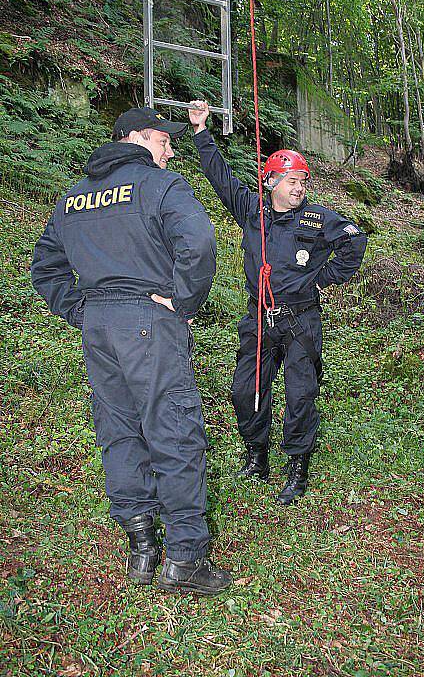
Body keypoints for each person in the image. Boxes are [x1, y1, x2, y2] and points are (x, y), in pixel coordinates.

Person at [31, 107, 232, 595]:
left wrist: (83, 312)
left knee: (118, 431)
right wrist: (184, 298)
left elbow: (45, 267)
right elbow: (200, 242)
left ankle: (142, 548)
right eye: (165, 141)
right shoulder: (161, 186)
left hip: (99, 329)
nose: (171, 150)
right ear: (138, 138)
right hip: (149, 320)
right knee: (175, 429)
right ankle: (184, 557)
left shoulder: (73, 199)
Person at [189, 100, 367, 505]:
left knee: (300, 394)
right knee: (244, 389)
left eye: (303, 180)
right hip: (259, 317)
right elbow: (220, 178)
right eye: (291, 180)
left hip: (302, 320)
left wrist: (322, 278)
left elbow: (355, 242)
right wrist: (201, 132)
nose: (299, 187)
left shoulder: (318, 218)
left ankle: (297, 467)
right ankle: (257, 456)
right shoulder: (253, 212)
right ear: (271, 183)